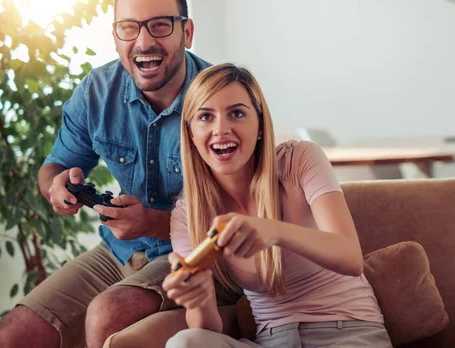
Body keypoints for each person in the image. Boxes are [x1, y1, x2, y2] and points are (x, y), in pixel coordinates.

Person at [0, 0, 239, 348]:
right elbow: (54, 166)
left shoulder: (222, 99)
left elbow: (239, 220)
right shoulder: (96, 92)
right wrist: (56, 186)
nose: (143, 42)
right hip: (119, 251)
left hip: (198, 256)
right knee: (6, 339)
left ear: (187, 32)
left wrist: (152, 222)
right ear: (116, 35)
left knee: (108, 314)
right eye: (129, 28)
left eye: (160, 26)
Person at [162, 63, 392, 348]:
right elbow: (207, 329)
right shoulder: (187, 215)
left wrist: (274, 230)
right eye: (205, 117)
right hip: (273, 341)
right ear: (191, 134)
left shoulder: (300, 159)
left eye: (237, 113)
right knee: (185, 342)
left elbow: (350, 257)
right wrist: (200, 298)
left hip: (350, 332)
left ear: (259, 126)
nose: (221, 129)